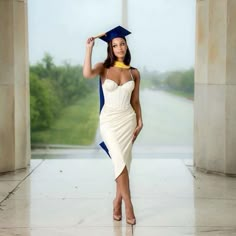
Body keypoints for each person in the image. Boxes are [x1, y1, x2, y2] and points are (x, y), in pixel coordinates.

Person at [83, 26, 143, 225]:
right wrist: (89, 48)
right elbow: (87, 73)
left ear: (126, 46)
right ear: (110, 47)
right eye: (115, 45)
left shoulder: (134, 73)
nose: (119, 47)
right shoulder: (103, 68)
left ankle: (116, 202)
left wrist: (140, 121)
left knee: (123, 163)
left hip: (128, 121)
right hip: (109, 121)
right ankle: (129, 204)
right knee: (118, 160)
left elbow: (135, 101)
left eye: (122, 44)